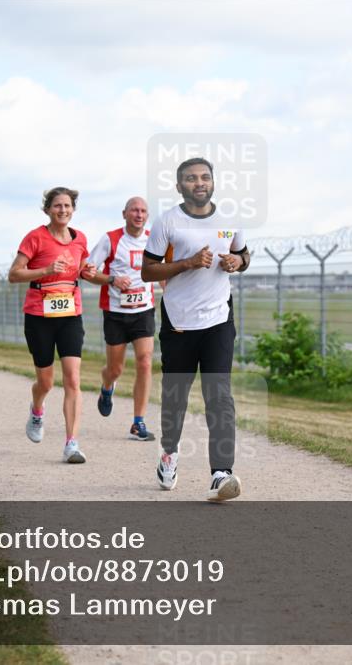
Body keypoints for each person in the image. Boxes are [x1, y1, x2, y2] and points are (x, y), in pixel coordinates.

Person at [142, 157, 250, 501]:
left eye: (205, 177)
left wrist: (237, 262)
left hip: (219, 320)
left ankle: (221, 473)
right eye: (191, 178)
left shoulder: (230, 219)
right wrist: (187, 263)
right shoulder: (167, 222)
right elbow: (147, 271)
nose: (199, 182)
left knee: (219, 395)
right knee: (176, 397)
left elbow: (244, 255)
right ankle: (169, 453)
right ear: (179, 186)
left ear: (213, 182)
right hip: (179, 322)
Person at [8, 186, 96, 464]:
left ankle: (72, 443)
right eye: (57, 205)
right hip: (39, 317)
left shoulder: (80, 239)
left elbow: (82, 269)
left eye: (67, 205)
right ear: (47, 209)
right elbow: (14, 274)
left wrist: (88, 271)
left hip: (70, 314)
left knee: (73, 379)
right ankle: (37, 410)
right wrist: (45, 271)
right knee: (45, 382)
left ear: (73, 209)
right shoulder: (35, 237)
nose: (63, 210)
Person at [85, 196, 158, 441]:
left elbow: (161, 271)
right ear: (124, 213)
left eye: (143, 211)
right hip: (116, 312)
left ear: (147, 216)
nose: (139, 215)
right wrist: (112, 279)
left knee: (145, 361)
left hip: (143, 311)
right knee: (115, 369)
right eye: (134, 210)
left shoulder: (153, 239)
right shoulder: (110, 239)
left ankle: (138, 422)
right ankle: (107, 387)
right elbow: (87, 271)